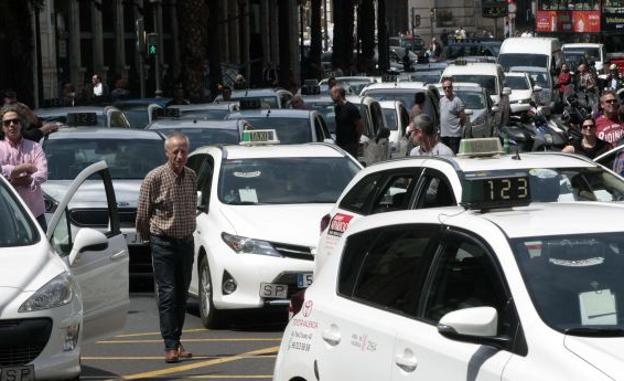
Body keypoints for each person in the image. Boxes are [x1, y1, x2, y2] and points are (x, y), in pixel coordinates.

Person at [136, 132, 197, 363]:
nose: (180, 156)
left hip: (186, 242)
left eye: (184, 151)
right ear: (167, 153)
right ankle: (169, 346)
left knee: (182, 294)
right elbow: (143, 213)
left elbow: (192, 206)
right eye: (176, 152)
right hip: (163, 242)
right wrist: (145, 240)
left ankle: (177, 341)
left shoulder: (191, 176)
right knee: (168, 293)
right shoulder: (154, 178)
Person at [0, 106, 48, 230]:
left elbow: (42, 174)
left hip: (34, 214)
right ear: (2, 127)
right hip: (7, 217)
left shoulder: (35, 147)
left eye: (15, 121)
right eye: (7, 122)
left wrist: (12, 181)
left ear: (21, 124)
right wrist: (25, 167)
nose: (12, 125)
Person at [331, 85, 364, 157]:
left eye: (332, 94)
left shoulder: (351, 108)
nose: (331, 97)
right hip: (340, 144)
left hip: (350, 145)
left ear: (338, 94)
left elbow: (360, 125)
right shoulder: (337, 108)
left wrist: (356, 140)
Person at [439, 77, 465, 154]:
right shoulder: (441, 100)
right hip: (444, 135)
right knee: (445, 156)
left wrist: (458, 128)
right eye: (445, 88)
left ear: (452, 88)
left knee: (453, 155)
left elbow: (463, 118)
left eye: (449, 87)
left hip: (454, 136)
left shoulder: (457, 100)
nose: (447, 89)